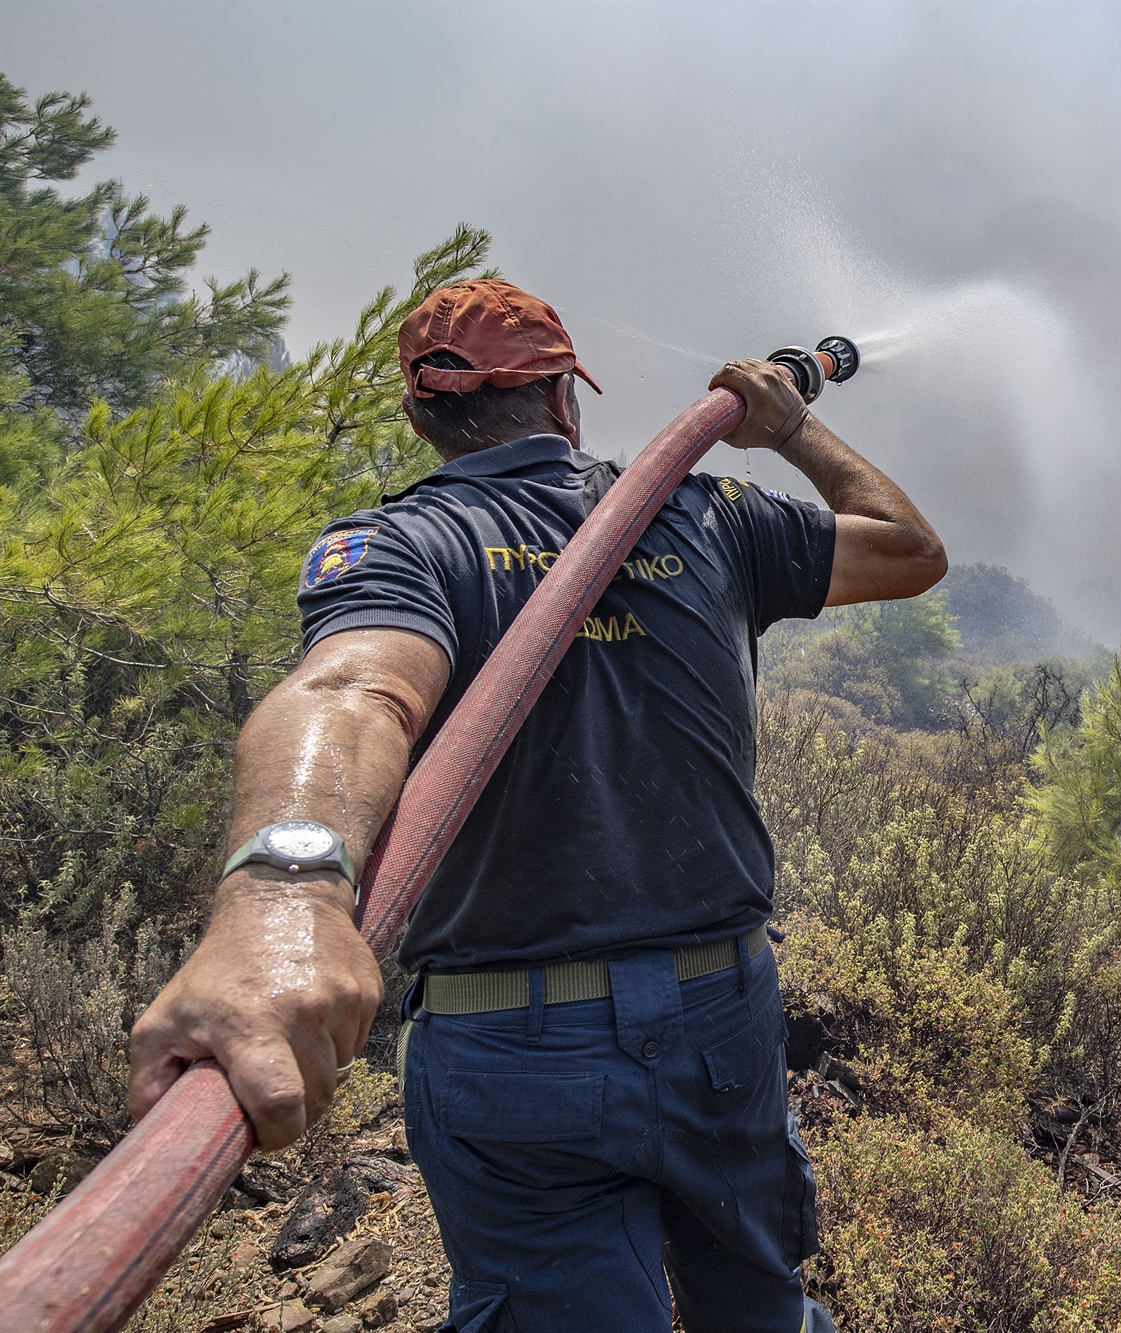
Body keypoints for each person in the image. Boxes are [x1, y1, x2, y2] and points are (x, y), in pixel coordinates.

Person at [127, 279, 945, 1333]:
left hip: (508, 1048)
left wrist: (280, 898)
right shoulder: (706, 513)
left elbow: (351, 689)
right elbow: (907, 546)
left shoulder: (405, 545)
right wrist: (792, 428)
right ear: (565, 398)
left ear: (421, 415)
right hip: (719, 1014)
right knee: (762, 1312)